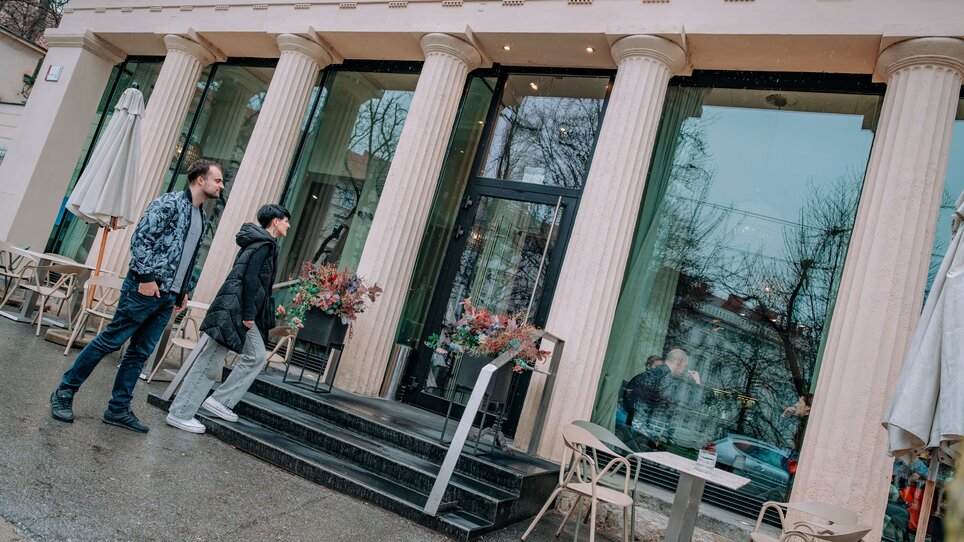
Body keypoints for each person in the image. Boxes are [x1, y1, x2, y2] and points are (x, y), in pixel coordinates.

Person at [49, 160, 223, 433]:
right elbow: (141, 240)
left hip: (167, 296)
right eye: (218, 180)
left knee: (139, 353)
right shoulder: (168, 204)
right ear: (200, 180)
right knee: (110, 341)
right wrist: (145, 278)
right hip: (144, 289)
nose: (221, 186)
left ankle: (118, 409)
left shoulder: (200, 216)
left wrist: (183, 291)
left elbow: (186, 257)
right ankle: (63, 392)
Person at [165, 204, 290, 434]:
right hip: (236, 310)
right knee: (211, 361)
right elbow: (250, 279)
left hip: (239, 309)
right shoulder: (264, 244)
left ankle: (220, 400)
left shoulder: (262, 244)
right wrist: (249, 314)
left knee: (256, 355)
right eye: (285, 221)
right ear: (275, 221)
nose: (288, 225)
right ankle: (180, 413)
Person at [625, 348, 700, 429]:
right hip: (642, 426)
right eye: (685, 366)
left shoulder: (654, 373)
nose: (685, 370)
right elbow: (680, 406)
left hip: (634, 422)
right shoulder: (665, 378)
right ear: (678, 362)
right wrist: (697, 382)